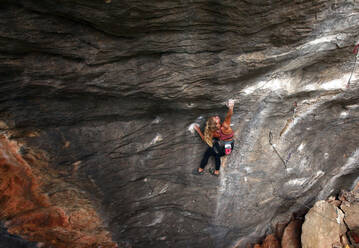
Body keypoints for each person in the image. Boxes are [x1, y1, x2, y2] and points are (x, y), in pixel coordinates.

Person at [194, 100, 235, 176]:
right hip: (227, 148)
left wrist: (198, 130)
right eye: (216, 118)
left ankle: (200, 170)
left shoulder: (213, 132)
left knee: (209, 153)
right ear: (216, 124)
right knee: (216, 154)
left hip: (221, 147)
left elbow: (205, 139)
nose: (217, 116)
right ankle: (216, 172)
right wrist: (231, 107)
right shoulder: (225, 127)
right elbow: (229, 115)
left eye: (216, 117)